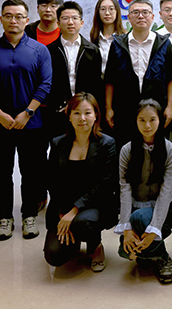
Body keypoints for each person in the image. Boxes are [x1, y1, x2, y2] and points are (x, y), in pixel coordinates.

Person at [0, 0, 52, 241]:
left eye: (19, 16)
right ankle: (4, 218)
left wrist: (27, 113)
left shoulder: (40, 50)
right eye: (8, 16)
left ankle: (29, 216)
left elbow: (45, 83)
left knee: (31, 173)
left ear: (27, 20)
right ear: (1, 19)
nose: (13, 20)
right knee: (2, 173)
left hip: (32, 123)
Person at [43, 93, 117, 272]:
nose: (82, 118)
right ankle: (74, 239)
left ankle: (95, 246)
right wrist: (63, 214)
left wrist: (74, 211)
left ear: (96, 116)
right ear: (69, 116)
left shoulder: (107, 143)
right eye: (76, 113)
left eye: (87, 113)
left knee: (84, 223)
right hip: (63, 206)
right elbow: (52, 181)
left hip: (95, 204)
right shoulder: (58, 143)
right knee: (54, 256)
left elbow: (106, 184)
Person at [116, 99, 172, 284]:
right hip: (136, 207)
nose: (147, 125)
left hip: (166, 208)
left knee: (140, 219)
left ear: (160, 120)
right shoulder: (127, 150)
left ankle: (162, 257)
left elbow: (166, 193)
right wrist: (127, 228)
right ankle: (148, 252)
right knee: (125, 251)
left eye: (152, 120)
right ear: (135, 121)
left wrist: (155, 229)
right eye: (142, 120)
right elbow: (125, 189)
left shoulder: (171, 150)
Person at [105, 0, 172, 153]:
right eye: (136, 12)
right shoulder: (117, 44)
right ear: (129, 17)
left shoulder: (164, 43)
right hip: (125, 109)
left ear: (153, 17)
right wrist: (109, 108)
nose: (141, 16)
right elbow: (110, 79)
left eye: (145, 12)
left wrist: (170, 107)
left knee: (156, 151)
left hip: (155, 109)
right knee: (125, 149)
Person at [45, 1, 102, 138]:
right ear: (58, 23)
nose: (70, 22)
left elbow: (96, 84)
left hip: (84, 112)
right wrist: (61, 105)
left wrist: (85, 106)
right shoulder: (49, 51)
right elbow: (47, 82)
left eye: (74, 18)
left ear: (81, 23)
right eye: (65, 18)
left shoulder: (92, 50)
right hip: (58, 111)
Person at [89, 0, 126, 78]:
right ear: (98, 12)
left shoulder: (125, 38)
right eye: (103, 9)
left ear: (117, 11)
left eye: (111, 9)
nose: (107, 13)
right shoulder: (93, 39)